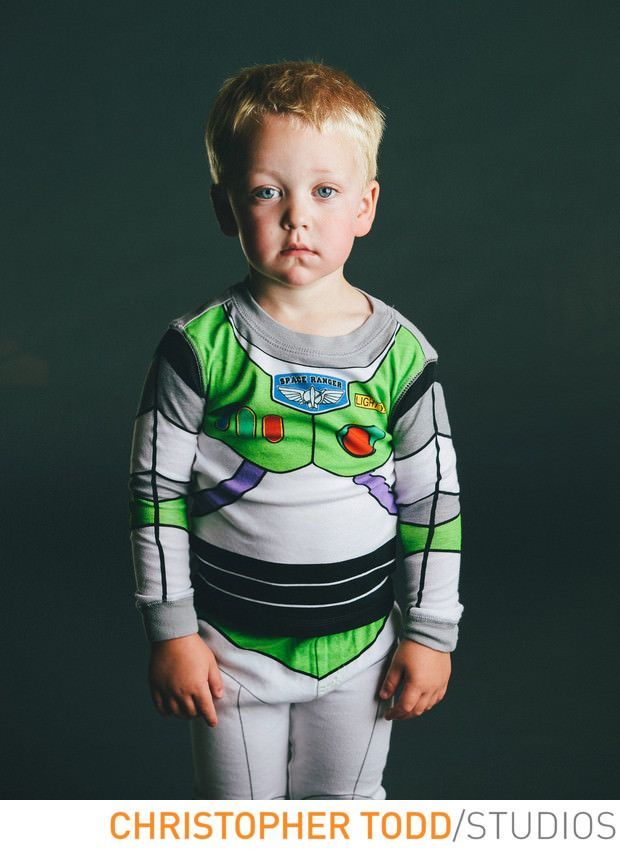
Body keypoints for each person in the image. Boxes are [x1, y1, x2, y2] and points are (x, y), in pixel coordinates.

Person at [128, 59, 464, 800]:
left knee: (345, 818)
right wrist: (173, 633)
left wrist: (432, 632)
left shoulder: (402, 356)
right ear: (226, 208)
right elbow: (155, 498)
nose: (297, 216)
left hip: (364, 655)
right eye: (265, 192)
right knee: (238, 822)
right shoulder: (197, 350)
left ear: (366, 206)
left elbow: (433, 504)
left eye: (324, 191)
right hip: (229, 653)